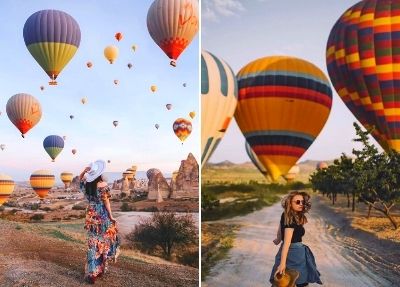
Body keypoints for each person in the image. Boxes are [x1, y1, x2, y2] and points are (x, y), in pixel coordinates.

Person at [79, 160, 120, 284]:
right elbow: (106, 202)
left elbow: (79, 181)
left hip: (91, 216)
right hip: (102, 215)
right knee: (105, 240)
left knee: (93, 242)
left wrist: (84, 172)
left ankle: (92, 272)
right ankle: (101, 269)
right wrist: (111, 216)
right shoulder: (103, 185)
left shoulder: (86, 184)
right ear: (99, 173)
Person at [270, 191, 322, 287]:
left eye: (302, 202)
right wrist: (282, 264)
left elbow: (281, 227)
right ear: (290, 203)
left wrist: (278, 238)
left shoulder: (287, 215)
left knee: (286, 283)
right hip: (295, 254)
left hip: (296, 252)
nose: (301, 204)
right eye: (297, 202)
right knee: (300, 282)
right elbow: (287, 243)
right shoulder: (292, 219)